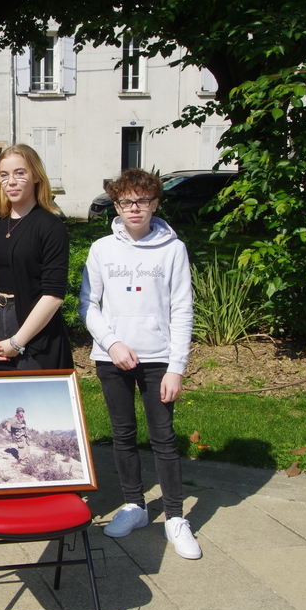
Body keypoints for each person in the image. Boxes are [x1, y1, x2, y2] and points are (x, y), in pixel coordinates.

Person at [78, 168, 201, 560]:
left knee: (163, 437)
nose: (135, 208)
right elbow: (88, 304)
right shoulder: (101, 249)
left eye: (143, 201)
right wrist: (111, 343)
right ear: (115, 205)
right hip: (113, 358)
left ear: (155, 203)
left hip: (158, 359)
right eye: (126, 201)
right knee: (122, 432)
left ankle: (175, 516)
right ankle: (134, 505)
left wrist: (176, 367)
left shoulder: (172, 249)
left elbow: (182, 310)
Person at [0, 145, 72, 369]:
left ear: (36, 177)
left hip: (38, 337)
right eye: (4, 175)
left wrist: (17, 342)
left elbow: (53, 294)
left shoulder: (51, 227)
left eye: (20, 173)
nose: (11, 181)